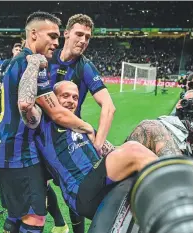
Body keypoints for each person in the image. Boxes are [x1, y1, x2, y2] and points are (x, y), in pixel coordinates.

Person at [0, 11, 95, 233]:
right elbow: (56, 112)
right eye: (52, 36)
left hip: (3, 149)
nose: (57, 43)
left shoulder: (15, 62)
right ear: (34, 34)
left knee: (17, 214)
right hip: (20, 155)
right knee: (35, 219)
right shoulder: (34, 63)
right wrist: (87, 128)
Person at [20, 80, 160, 221]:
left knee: (146, 136)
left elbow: (109, 150)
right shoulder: (43, 124)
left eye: (75, 97)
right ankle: (174, 201)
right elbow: (25, 104)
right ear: (54, 100)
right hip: (81, 192)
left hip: (100, 183)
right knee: (133, 149)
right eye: (65, 96)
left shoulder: (81, 126)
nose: (71, 101)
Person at [46, 14, 116, 232]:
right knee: (39, 186)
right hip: (39, 137)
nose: (83, 40)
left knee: (73, 188)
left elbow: (108, 106)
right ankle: (58, 223)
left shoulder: (85, 67)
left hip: (68, 138)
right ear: (66, 33)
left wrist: (98, 143)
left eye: (87, 37)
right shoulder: (47, 57)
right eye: (79, 34)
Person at [127, 90, 193, 157]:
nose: (189, 104)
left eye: (192, 101)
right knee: (148, 126)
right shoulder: (177, 117)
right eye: (186, 101)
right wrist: (178, 113)